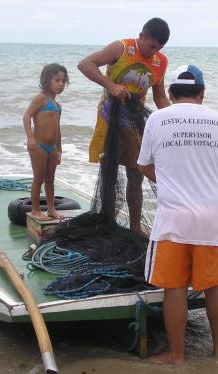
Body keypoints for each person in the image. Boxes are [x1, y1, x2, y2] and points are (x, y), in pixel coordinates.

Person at [137, 65, 218, 364]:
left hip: (173, 218)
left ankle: (176, 355)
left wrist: (172, 181)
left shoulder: (157, 118)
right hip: (211, 218)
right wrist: (203, 181)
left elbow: (144, 165)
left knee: (175, 287)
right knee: (216, 284)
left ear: (170, 93)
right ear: (202, 93)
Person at [77, 17, 171, 234]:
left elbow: (160, 97)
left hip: (134, 123)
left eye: (158, 48)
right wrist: (110, 85)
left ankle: (136, 227)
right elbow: (85, 64)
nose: (153, 52)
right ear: (142, 36)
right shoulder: (121, 48)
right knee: (108, 173)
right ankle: (107, 222)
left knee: (136, 174)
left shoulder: (161, 62)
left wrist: (175, 117)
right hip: (109, 120)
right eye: (150, 46)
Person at [23, 63, 69, 221]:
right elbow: (27, 116)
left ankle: (51, 209)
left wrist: (60, 150)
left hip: (52, 148)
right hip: (39, 146)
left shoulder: (57, 106)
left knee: (50, 179)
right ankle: (36, 210)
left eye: (63, 81)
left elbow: (58, 129)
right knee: (39, 178)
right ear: (46, 80)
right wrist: (30, 137)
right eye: (57, 80)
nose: (61, 84)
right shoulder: (40, 99)